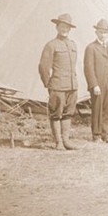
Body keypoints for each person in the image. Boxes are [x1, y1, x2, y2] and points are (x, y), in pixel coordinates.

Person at [38, 13, 78, 150]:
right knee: (56, 113)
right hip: (58, 86)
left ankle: (66, 141)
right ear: (57, 27)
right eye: (62, 26)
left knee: (68, 113)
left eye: (67, 27)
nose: (64, 29)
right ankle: (58, 142)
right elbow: (43, 67)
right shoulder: (51, 45)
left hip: (72, 86)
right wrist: (48, 83)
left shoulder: (73, 44)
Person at [84, 19, 108, 142]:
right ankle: (96, 135)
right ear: (96, 32)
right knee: (97, 108)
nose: (103, 35)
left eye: (105, 32)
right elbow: (88, 68)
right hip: (98, 84)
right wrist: (94, 85)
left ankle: (106, 134)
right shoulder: (91, 48)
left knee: (107, 107)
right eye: (100, 32)